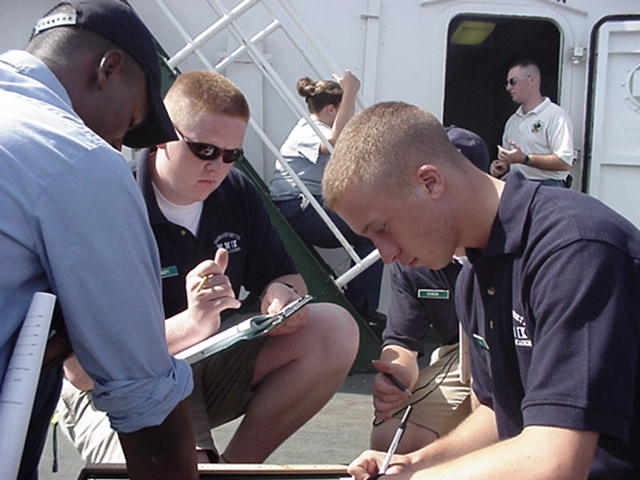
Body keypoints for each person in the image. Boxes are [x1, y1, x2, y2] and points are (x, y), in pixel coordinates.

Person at [322, 101, 640, 479]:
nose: (386, 255)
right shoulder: (477, 275)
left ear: (430, 182)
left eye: (381, 228)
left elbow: (557, 461)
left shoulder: (576, 251)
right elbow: (498, 413)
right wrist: (418, 463)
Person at [57, 70, 360, 465]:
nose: (218, 166)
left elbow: (285, 276)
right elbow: (80, 369)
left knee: (333, 328)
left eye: (233, 155)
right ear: (163, 136)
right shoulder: (109, 203)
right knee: (170, 466)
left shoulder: (235, 192)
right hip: (119, 384)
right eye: (204, 150)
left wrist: (282, 298)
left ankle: (237, 470)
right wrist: (192, 324)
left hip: (206, 364)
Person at [0, 1, 197, 479]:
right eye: (129, 124)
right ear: (108, 69)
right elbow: (145, 400)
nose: (117, 145)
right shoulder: (73, 155)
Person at [370, 127, 489, 454]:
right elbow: (403, 340)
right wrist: (396, 375)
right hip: (457, 354)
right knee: (390, 441)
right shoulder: (410, 256)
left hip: (513, 361)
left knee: (491, 435)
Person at [269, 71, 384, 323]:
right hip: (296, 207)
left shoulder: (311, 128)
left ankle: (354, 302)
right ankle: (360, 308)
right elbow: (334, 141)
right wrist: (351, 91)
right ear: (332, 110)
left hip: (305, 205)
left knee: (365, 232)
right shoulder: (308, 129)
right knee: (372, 236)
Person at [490, 60, 574, 187]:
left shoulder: (555, 115)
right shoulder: (513, 121)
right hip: (517, 186)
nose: (508, 88)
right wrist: (503, 166)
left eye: (513, 82)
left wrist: (525, 159)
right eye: (507, 83)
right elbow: (511, 160)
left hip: (548, 187)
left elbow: (564, 162)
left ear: (532, 80)